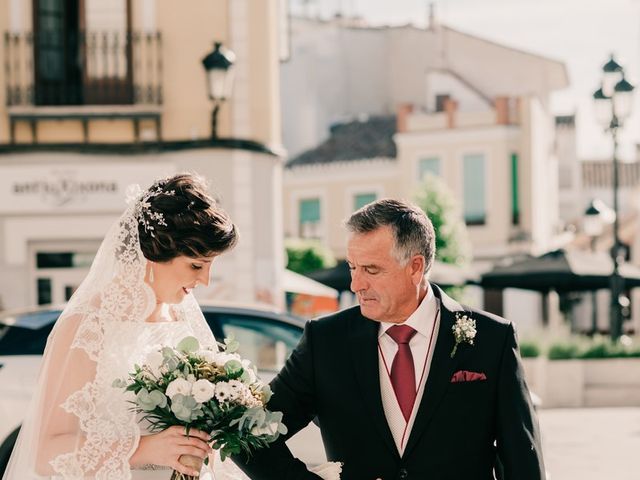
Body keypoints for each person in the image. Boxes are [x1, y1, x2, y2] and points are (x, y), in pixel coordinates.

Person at [233, 198, 545, 480]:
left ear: (415, 267)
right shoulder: (326, 342)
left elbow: (522, 459)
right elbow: (247, 431)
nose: (356, 284)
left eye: (371, 270)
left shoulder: (493, 339)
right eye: (353, 267)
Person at [2, 173, 247, 479]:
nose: (205, 281)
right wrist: (143, 449)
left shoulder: (181, 321)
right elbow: (46, 451)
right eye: (196, 265)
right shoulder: (89, 327)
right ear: (153, 254)